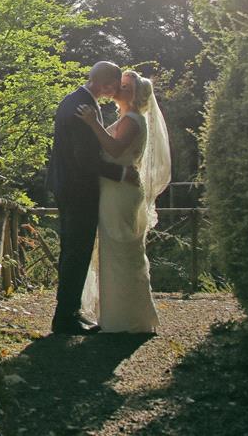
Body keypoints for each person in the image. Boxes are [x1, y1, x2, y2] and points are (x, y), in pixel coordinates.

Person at [74, 70, 171, 333]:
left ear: (136, 95)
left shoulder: (132, 119)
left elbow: (115, 150)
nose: (118, 88)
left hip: (120, 192)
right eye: (120, 84)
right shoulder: (127, 118)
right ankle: (120, 315)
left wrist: (93, 123)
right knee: (115, 250)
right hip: (116, 188)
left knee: (120, 250)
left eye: (125, 87)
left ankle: (125, 319)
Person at [46, 61, 137, 335]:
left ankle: (68, 312)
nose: (115, 91)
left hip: (67, 185)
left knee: (71, 250)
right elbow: (84, 159)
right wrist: (120, 172)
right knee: (77, 251)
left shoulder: (75, 100)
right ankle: (65, 318)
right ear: (104, 84)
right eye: (114, 85)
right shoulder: (82, 106)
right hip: (77, 188)